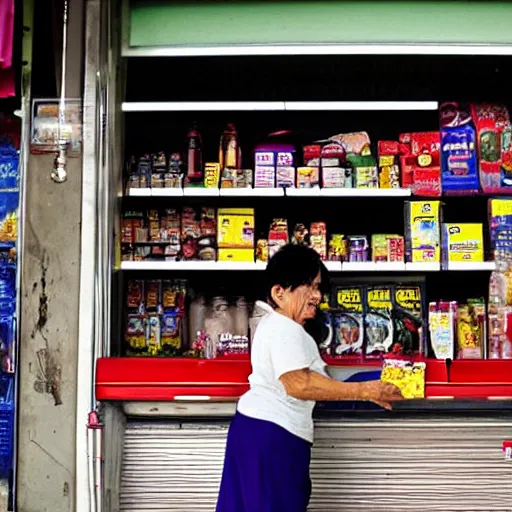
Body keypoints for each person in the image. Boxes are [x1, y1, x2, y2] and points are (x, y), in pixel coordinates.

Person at [216, 244, 404, 512]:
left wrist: (377, 381)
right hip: (274, 439)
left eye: (319, 287)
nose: (317, 296)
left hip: (251, 431)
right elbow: (298, 383)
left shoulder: (272, 325)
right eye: (310, 286)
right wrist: (364, 390)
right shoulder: (285, 328)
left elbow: (317, 378)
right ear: (279, 292)